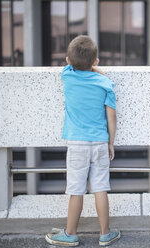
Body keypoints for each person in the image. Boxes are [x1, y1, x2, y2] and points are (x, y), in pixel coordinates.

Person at [45, 35, 120, 247]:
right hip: (99, 143)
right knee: (100, 188)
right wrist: (111, 142)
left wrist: (84, 65)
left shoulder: (67, 76)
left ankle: (70, 234)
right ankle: (105, 234)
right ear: (95, 62)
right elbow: (112, 117)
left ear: (68, 60)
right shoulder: (106, 84)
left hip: (77, 144)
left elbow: (74, 64)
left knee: (76, 189)